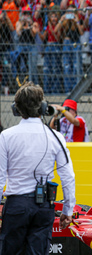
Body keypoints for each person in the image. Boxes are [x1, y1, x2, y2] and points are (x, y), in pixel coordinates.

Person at [0, 82, 76, 254]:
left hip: (16, 206)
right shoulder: (56, 137)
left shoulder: (6, 136)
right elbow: (68, 176)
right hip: (43, 207)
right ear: (43, 107)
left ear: (16, 109)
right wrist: (68, 210)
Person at [55, 4, 84, 93]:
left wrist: (77, 21)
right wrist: (62, 19)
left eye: (72, 12)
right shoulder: (64, 21)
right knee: (67, 66)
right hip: (67, 43)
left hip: (76, 43)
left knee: (76, 66)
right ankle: (68, 89)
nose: (70, 14)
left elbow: (81, 33)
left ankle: (76, 89)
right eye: (68, 12)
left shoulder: (78, 20)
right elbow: (55, 30)